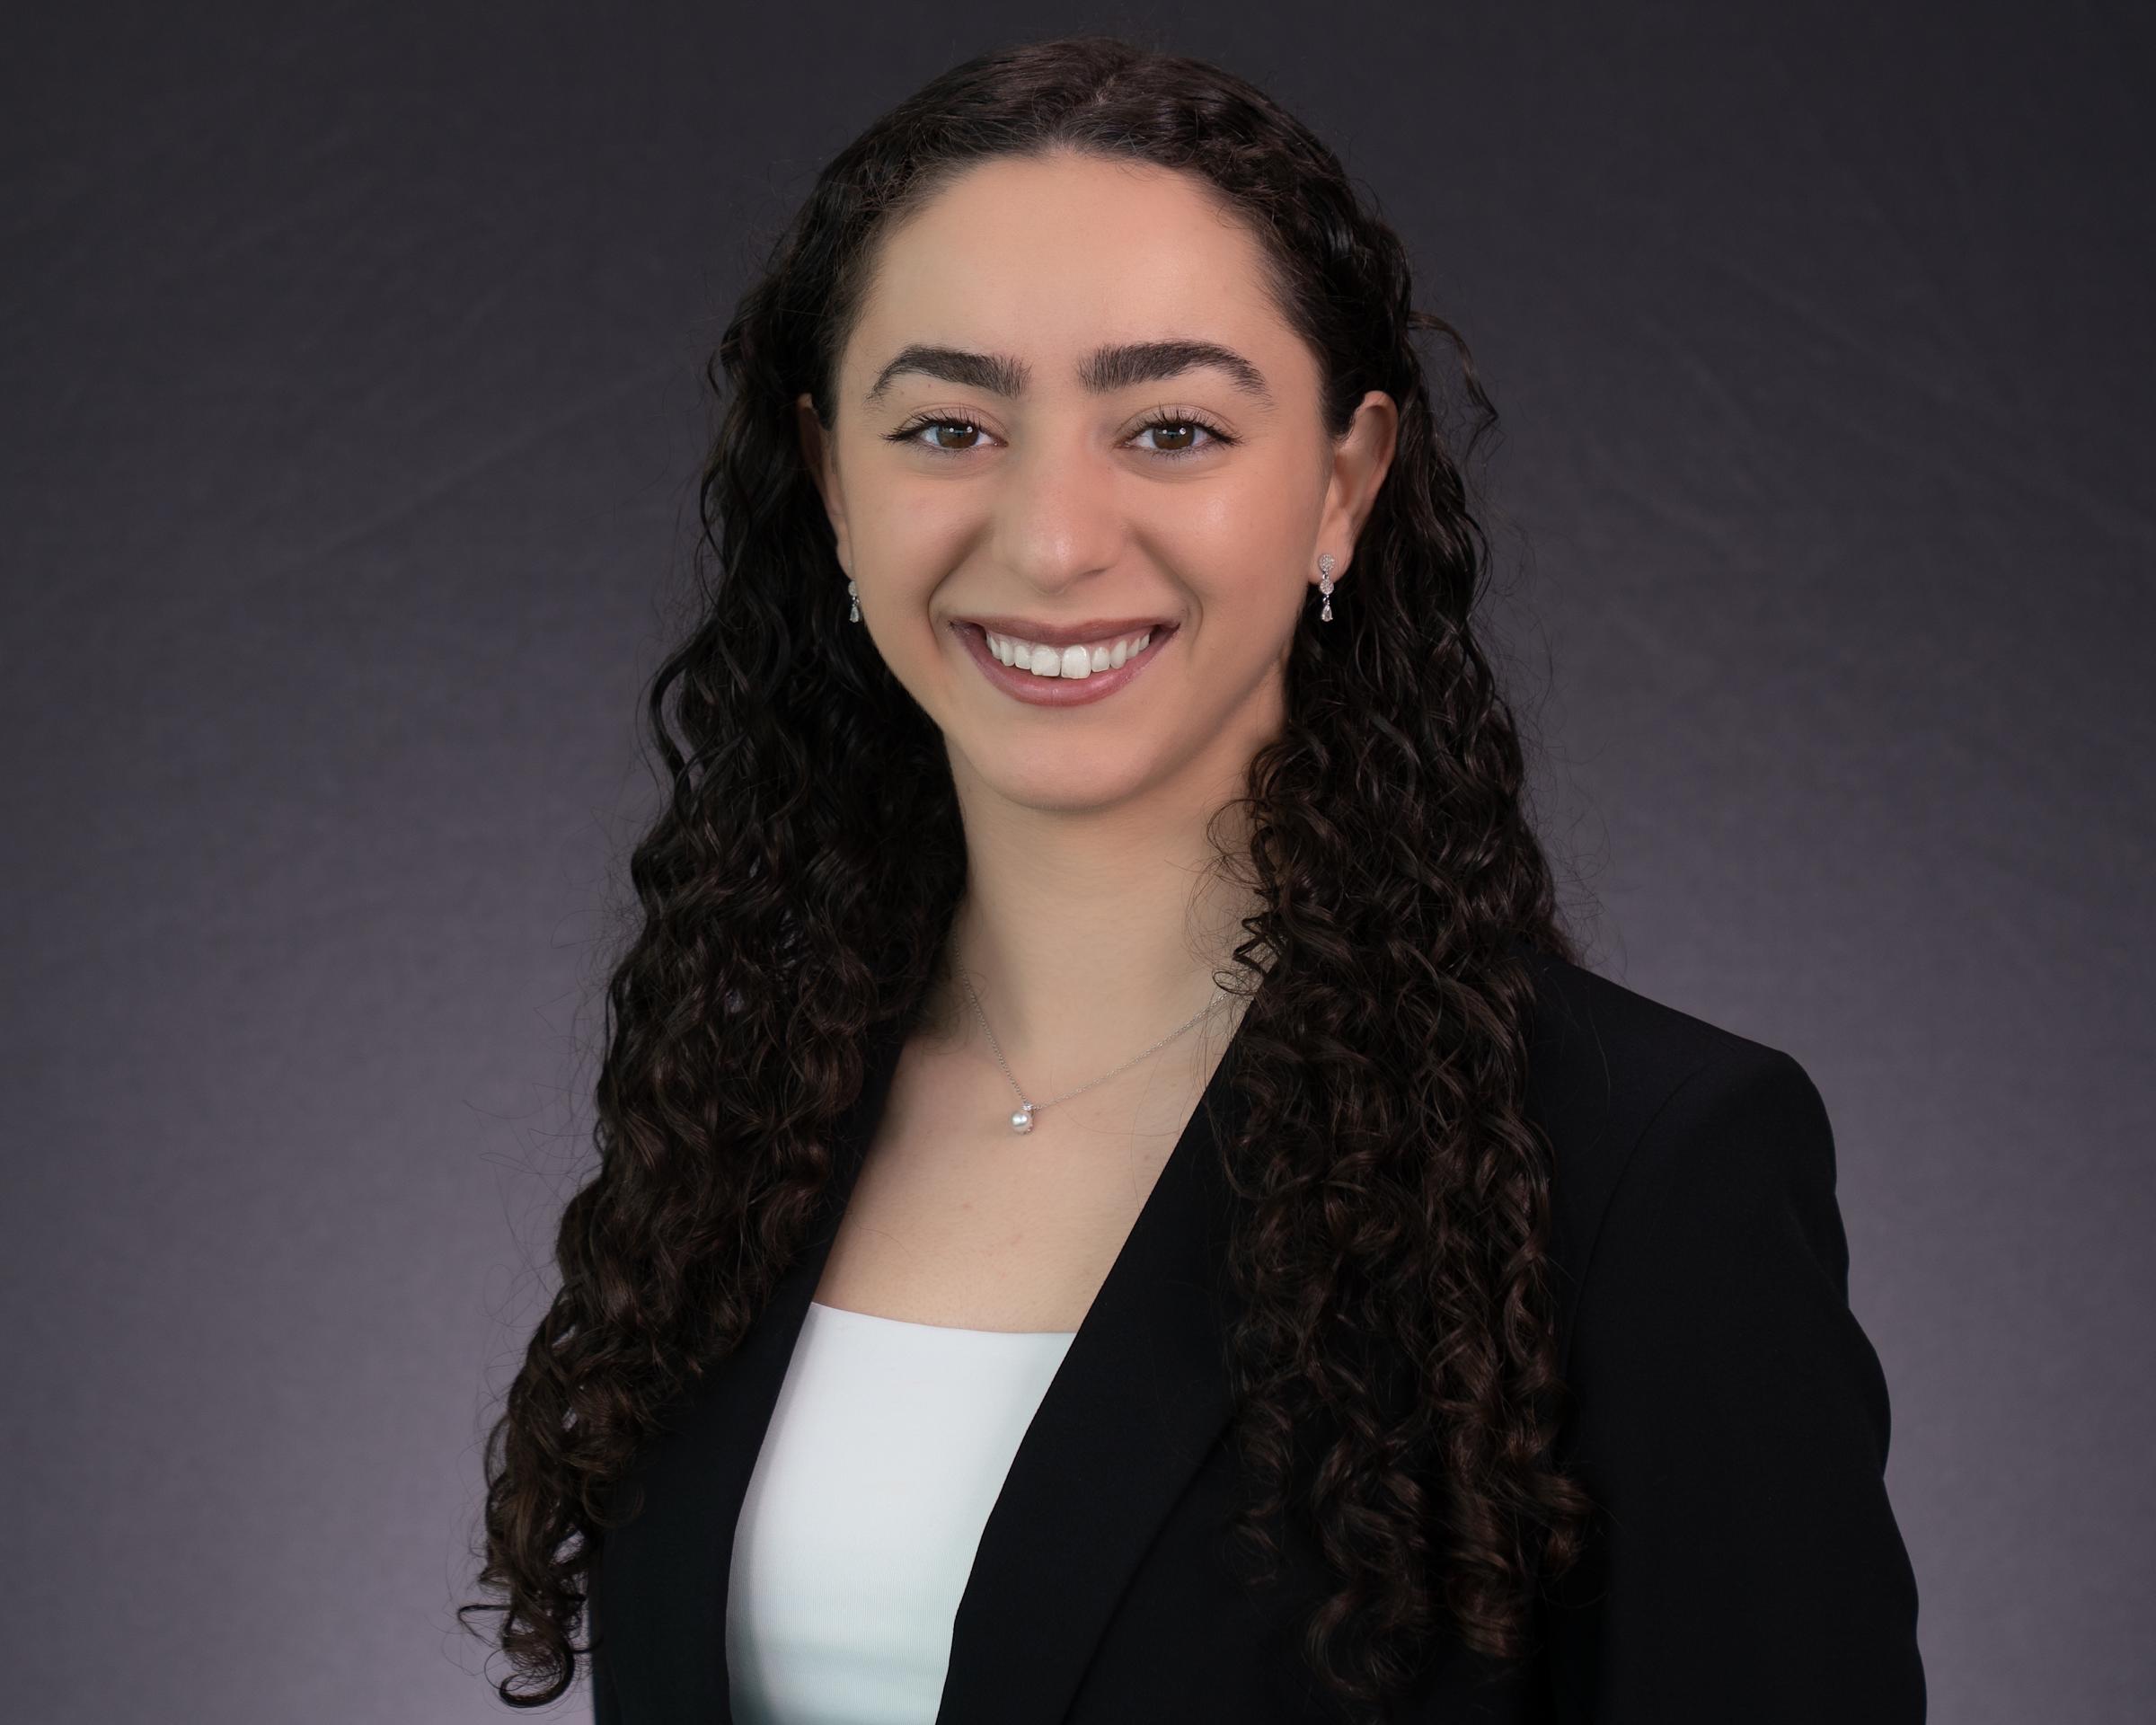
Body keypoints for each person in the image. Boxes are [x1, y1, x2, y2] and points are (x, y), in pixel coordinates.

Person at [464, 33, 1926, 1725]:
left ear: (1343, 486)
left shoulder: (1634, 1169)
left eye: (1168, 427)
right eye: (947, 426)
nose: (1055, 537)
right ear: (831, 487)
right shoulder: (742, 1118)